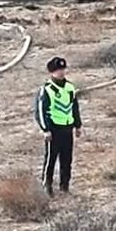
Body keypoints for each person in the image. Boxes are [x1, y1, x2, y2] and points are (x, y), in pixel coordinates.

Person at [35, 57, 82, 196]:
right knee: (51, 159)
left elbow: (74, 107)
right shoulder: (47, 89)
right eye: (57, 70)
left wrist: (78, 125)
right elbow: (41, 111)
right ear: (51, 72)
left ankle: (64, 186)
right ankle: (47, 185)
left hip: (67, 128)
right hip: (54, 129)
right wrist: (46, 129)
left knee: (66, 159)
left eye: (62, 69)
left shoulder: (69, 87)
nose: (61, 72)